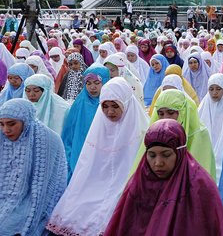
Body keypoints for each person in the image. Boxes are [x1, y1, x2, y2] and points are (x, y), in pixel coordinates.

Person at [46, 77, 149, 235]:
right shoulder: (99, 127)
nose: (109, 112)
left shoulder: (142, 131)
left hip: (126, 189)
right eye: (105, 106)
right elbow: (87, 167)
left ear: (127, 103)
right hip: (96, 185)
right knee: (79, 207)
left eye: (115, 106)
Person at [103, 119, 223, 235]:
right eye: (152, 155)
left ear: (179, 152)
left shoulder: (200, 186)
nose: (158, 163)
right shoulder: (139, 183)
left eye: (166, 155)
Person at [0, 98, 67, 235]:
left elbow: (45, 191)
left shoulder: (49, 140)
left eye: (11, 124)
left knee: (7, 226)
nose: (6, 130)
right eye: (1, 124)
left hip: (31, 201)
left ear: (25, 121)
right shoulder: (2, 137)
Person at [61, 65, 110, 179]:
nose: (92, 87)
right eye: (88, 83)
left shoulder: (110, 104)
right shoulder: (79, 103)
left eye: (97, 83)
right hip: (80, 150)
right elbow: (69, 134)